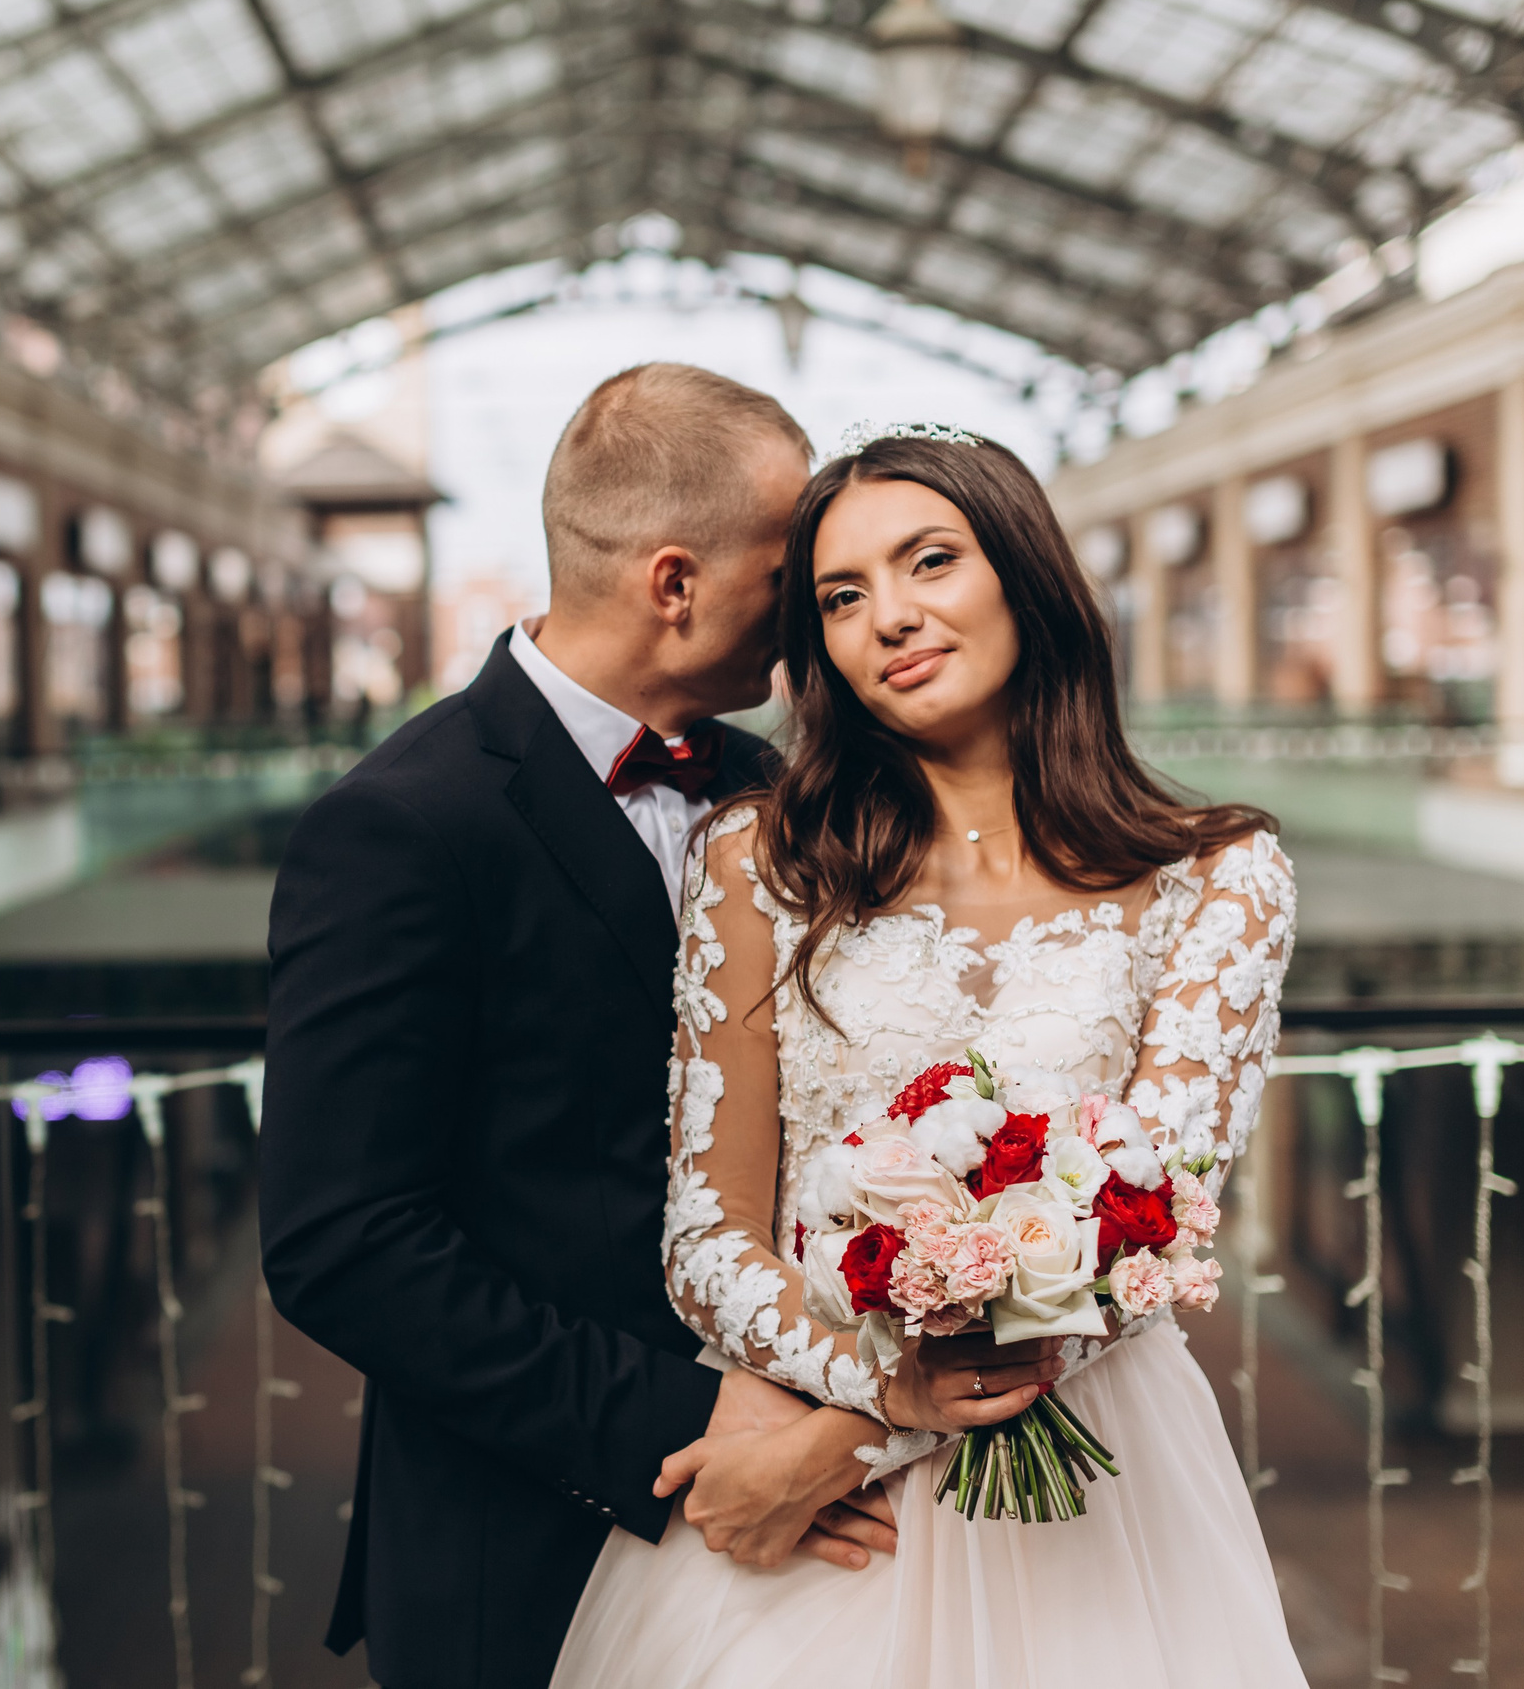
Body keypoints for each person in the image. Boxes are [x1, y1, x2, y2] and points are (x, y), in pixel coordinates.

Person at [261, 366, 995, 1689]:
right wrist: (689, 1420)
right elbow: (341, 1240)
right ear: (675, 583)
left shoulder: (791, 794)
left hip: (827, 1529)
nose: (818, 616)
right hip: (529, 1541)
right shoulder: (400, 826)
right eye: (793, 575)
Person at [550, 424, 1306, 1687]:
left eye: (930, 562)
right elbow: (705, 1239)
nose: (888, 617)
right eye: (841, 596)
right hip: (813, 1530)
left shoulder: (1217, 879)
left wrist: (832, 1449)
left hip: (1088, 1493)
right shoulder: (754, 864)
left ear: (1023, 575)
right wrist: (881, 1398)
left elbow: (1154, 1231)